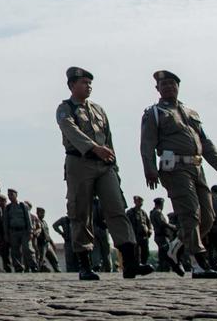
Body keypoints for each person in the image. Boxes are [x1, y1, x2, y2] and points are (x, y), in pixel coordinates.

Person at [57, 66, 152, 281]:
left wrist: (114, 165)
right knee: (81, 212)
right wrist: (93, 148)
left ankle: (130, 262)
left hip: (105, 165)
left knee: (117, 208)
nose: (88, 86)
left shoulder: (98, 110)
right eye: (83, 83)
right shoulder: (65, 109)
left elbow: (108, 140)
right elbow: (71, 131)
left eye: (90, 83)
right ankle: (85, 264)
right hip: (79, 163)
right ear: (72, 85)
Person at [139, 69, 217, 279]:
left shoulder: (191, 113)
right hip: (175, 169)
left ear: (178, 87)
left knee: (207, 217)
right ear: (157, 89)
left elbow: (205, 142)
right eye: (164, 85)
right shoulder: (154, 113)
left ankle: (176, 247)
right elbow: (147, 144)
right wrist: (150, 169)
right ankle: (198, 263)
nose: (169, 87)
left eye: (172, 83)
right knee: (190, 214)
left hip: (197, 167)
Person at [4, 190, 34, 272]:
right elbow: (6, 222)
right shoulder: (8, 207)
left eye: (12, 194)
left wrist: (30, 231)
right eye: (9, 195)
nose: (10, 196)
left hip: (24, 230)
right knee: (15, 251)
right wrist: (6, 234)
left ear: (16, 195)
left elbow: (28, 219)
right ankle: (18, 267)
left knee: (27, 249)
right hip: (13, 231)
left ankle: (33, 266)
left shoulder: (23, 205)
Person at [150, 197, 175, 272]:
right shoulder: (158, 212)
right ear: (161, 204)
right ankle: (165, 268)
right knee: (167, 252)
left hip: (158, 235)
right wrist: (172, 227)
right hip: (162, 235)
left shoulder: (153, 212)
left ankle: (162, 267)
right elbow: (162, 223)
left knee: (162, 252)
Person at [127, 196, 151, 271]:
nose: (140, 203)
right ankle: (136, 266)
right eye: (138, 201)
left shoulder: (143, 212)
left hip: (144, 236)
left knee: (145, 251)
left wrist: (149, 230)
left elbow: (148, 223)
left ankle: (144, 264)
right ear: (135, 202)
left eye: (141, 201)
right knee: (135, 252)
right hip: (135, 235)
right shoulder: (130, 212)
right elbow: (127, 223)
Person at [34, 207, 60, 272]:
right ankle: (37, 271)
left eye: (43, 213)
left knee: (54, 259)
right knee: (41, 260)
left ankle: (58, 270)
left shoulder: (44, 222)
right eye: (41, 213)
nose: (43, 215)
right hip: (41, 244)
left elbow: (47, 234)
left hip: (47, 244)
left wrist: (52, 243)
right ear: (37, 213)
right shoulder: (36, 222)